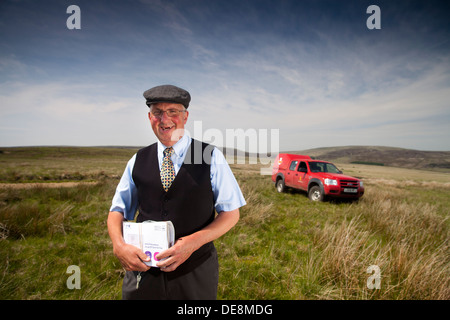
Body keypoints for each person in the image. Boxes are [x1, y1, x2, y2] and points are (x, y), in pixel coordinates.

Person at [107, 84, 246, 299]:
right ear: (149, 116)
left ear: (186, 116)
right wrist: (118, 246)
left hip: (195, 273)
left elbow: (231, 214)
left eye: (173, 112)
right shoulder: (137, 160)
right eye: (157, 112)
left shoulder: (211, 156)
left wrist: (193, 243)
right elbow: (117, 210)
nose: (165, 119)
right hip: (143, 274)